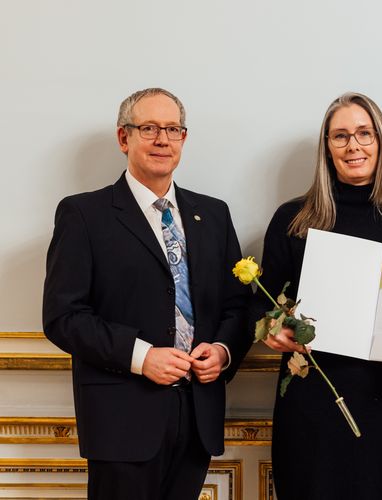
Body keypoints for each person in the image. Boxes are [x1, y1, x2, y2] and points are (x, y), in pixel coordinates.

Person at [42, 88, 251, 500]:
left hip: (197, 416)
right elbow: (63, 317)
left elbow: (237, 306)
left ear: (184, 139)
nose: (163, 140)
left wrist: (224, 351)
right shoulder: (84, 214)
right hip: (122, 420)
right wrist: (142, 357)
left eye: (173, 129)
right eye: (150, 128)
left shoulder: (213, 214)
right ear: (124, 138)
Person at [253, 92, 382, 499]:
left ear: (381, 141)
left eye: (364, 133)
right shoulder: (294, 220)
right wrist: (272, 330)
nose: (353, 145)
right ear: (327, 147)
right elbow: (262, 305)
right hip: (314, 406)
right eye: (340, 136)